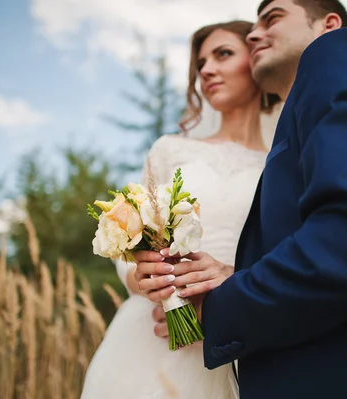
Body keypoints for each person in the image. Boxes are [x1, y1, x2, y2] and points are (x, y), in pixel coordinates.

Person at [134, 0, 347, 398]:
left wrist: (219, 307)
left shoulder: (341, 51)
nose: (253, 33)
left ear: (329, 24)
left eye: (274, 17)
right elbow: (325, 240)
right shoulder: (297, 124)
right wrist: (234, 277)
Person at [80, 20, 282, 399]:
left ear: (256, 59)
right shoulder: (170, 151)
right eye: (201, 62)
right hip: (156, 332)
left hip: (247, 333)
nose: (206, 70)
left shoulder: (284, 161)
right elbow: (130, 237)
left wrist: (235, 293)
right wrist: (142, 280)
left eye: (223, 54)